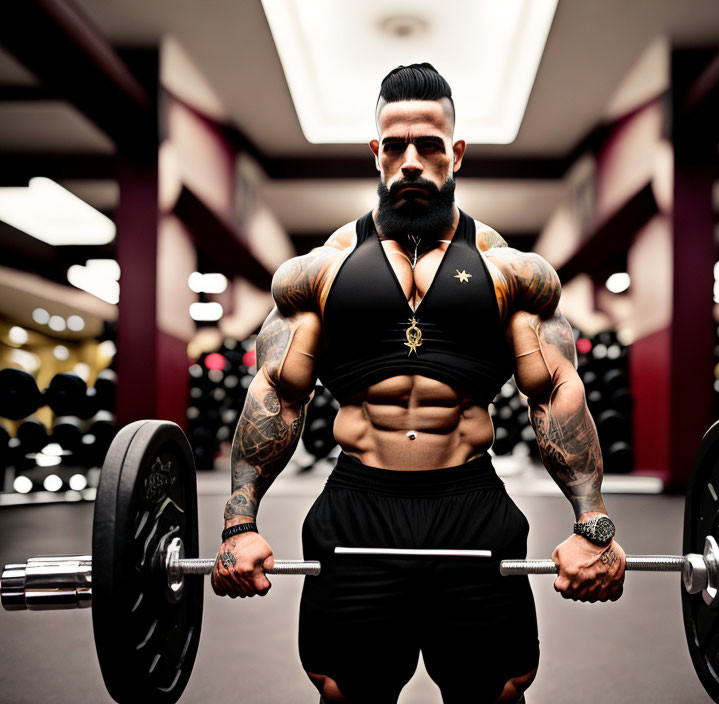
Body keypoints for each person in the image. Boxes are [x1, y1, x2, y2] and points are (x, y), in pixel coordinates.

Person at [211, 63, 625, 704]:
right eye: (396, 146)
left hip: (470, 502)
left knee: (497, 691)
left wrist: (593, 525)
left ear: (455, 153)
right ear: (375, 153)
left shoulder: (513, 272)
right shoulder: (315, 272)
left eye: (429, 145)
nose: (412, 161)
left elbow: (553, 392)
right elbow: (277, 392)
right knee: (347, 692)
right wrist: (239, 524)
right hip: (357, 501)